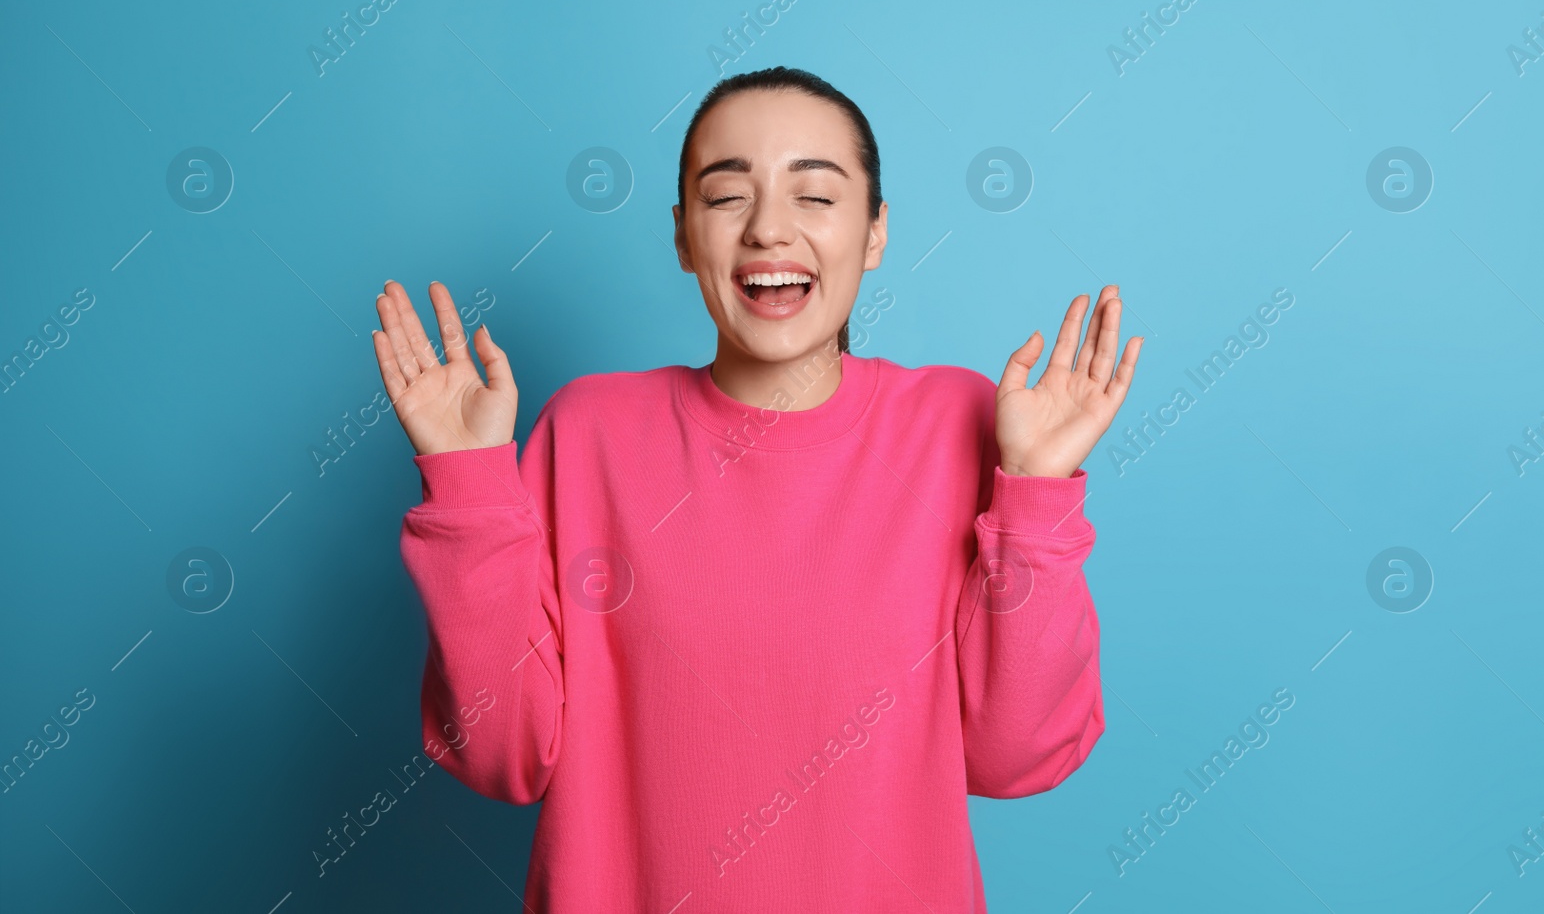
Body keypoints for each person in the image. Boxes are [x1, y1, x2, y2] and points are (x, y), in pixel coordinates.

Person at [372, 66, 1142, 912]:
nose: (769, 228)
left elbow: (1017, 755)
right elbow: (501, 753)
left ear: (877, 232)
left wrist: (1034, 493)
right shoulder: (588, 432)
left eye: (815, 196)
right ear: (681, 235)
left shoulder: (958, 423)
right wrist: (470, 490)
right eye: (726, 197)